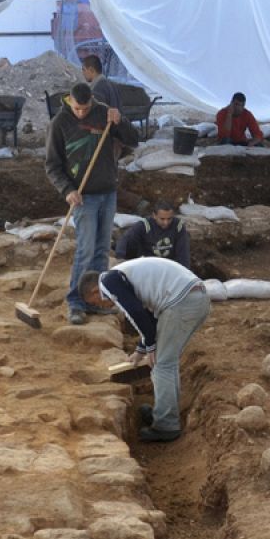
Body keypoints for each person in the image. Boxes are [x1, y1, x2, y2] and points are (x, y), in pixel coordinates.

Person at [78, 257, 210, 443]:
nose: (99, 306)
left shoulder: (108, 282)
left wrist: (150, 346)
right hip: (190, 298)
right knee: (165, 361)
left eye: (94, 302)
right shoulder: (120, 277)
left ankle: (166, 425)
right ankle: (163, 413)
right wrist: (141, 349)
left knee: (162, 363)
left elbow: (136, 313)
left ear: (94, 291)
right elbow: (148, 317)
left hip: (182, 302)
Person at [46, 83, 141, 325]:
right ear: (70, 101)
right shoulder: (60, 123)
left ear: (92, 102)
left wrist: (120, 121)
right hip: (83, 196)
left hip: (107, 192)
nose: (81, 113)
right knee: (85, 250)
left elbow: (134, 139)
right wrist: (67, 190)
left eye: (85, 108)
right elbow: (53, 166)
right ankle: (76, 302)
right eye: (77, 109)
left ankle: (96, 300)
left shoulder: (104, 113)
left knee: (101, 251)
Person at [115, 199, 190, 269]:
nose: (166, 223)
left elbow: (183, 255)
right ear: (154, 215)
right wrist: (123, 262)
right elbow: (125, 244)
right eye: (162, 219)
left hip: (168, 267)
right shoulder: (144, 226)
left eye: (169, 219)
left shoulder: (178, 227)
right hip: (146, 266)